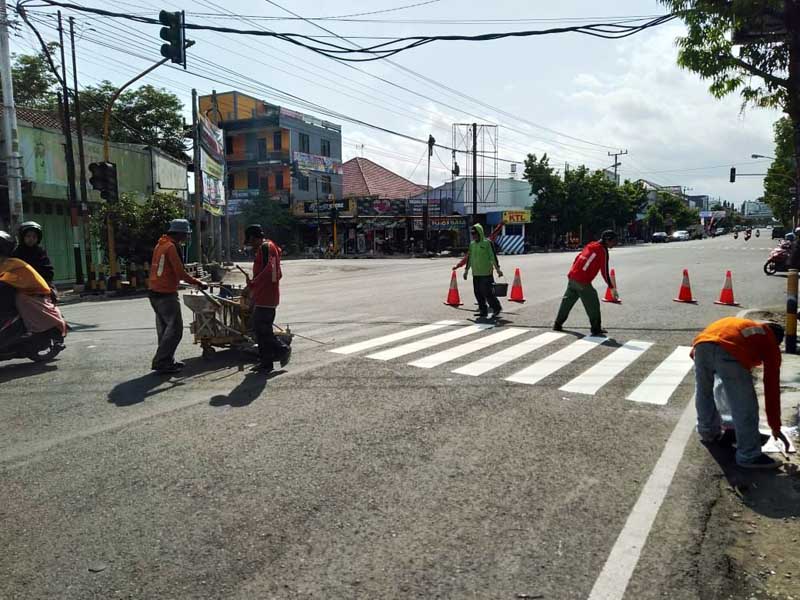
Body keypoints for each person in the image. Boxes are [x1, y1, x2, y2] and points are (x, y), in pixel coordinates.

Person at [692, 317, 789, 469]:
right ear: (777, 340)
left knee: (704, 393)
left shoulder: (744, 327)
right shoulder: (769, 340)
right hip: (729, 351)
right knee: (745, 405)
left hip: (701, 346)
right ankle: (749, 455)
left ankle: (708, 432)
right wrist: (775, 425)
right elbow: (771, 386)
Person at [147, 219, 206, 374]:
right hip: (165, 293)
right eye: (186, 234)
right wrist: (197, 282)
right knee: (175, 329)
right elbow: (180, 272)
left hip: (154, 291)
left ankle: (167, 360)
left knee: (165, 329)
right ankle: (161, 361)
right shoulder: (172, 247)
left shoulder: (161, 244)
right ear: (179, 233)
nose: (187, 237)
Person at [0, 230, 66, 336]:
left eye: (34, 237)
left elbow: (49, 271)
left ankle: (31, 327)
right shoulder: (16, 253)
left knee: (21, 299)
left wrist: (33, 275)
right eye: (28, 236)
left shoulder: (40, 252)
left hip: (36, 285)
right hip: (20, 284)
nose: (31, 239)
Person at [244, 224, 290, 373]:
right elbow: (277, 273)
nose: (250, 244)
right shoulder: (270, 247)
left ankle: (282, 349)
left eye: (249, 240)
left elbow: (269, 272)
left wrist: (253, 284)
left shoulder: (265, 248)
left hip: (266, 295)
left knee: (261, 328)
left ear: (253, 237)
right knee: (262, 329)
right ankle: (266, 362)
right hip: (267, 294)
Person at [553, 230, 617, 336]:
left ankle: (557, 324)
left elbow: (578, 257)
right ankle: (596, 328)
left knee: (567, 302)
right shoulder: (603, 250)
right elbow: (605, 271)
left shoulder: (591, 245)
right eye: (614, 241)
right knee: (593, 304)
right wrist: (611, 286)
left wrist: (574, 272)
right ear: (607, 240)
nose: (615, 244)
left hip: (572, 276)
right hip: (582, 281)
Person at [452, 223, 503, 319]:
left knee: (487, 293)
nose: (473, 236)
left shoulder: (487, 243)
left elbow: (493, 257)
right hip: (476, 273)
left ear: (480, 233)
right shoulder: (472, 244)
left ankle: (496, 308)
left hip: (486, 273)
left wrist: (498, 270)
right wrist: (466, 271)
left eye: (475, 234)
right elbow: (469, 258)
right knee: (477, 292)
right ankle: (483, 310)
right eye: (472, 234)